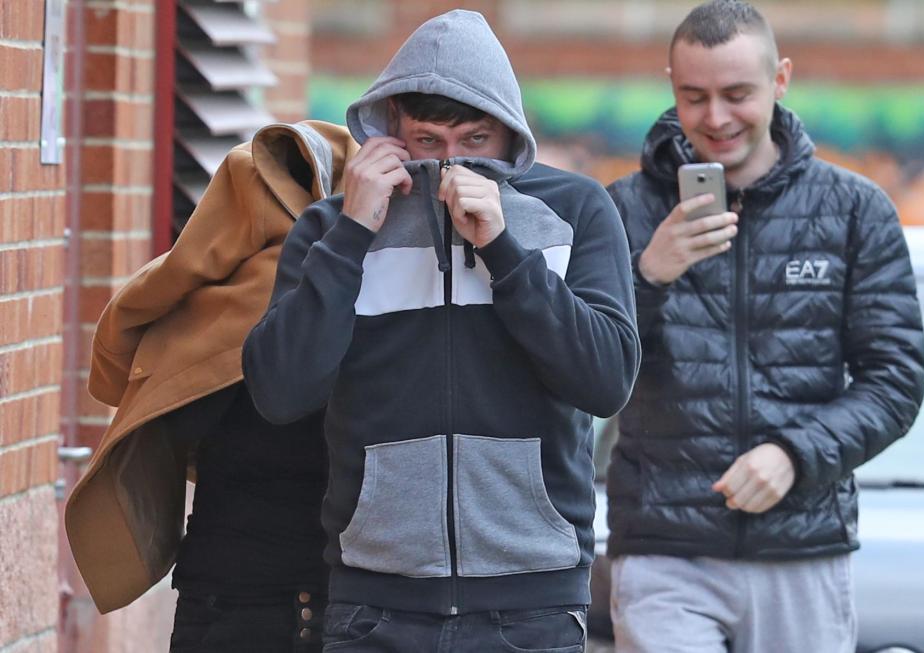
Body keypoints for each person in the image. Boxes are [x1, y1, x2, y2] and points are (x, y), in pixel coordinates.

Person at [242, 9, 640, 653]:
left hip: (532, 601)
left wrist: (506, 253)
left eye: (475, 142)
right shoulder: (330, 229)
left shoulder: (575, 211)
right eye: (429, 142)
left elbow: (606, 380)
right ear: (391, 127)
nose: (452, 167)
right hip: (374, 602)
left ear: (510, 134)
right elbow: (280, 392)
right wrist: (352, 234)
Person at [604, 1, 924, 652]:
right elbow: (584, 371)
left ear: (780, 80)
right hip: (663, 549)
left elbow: (895, 379)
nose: (716, 117)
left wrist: (795, 454)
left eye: (736, 94)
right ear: (671, 84)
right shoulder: (620, 211)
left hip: (802, 547)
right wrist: (648, 275)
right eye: (694, 96)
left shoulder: (855, 210)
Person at [65, 121, 359, 652]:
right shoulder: (353, 294)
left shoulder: (177, 296)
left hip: (216, 587)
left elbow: (117, 382)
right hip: (318, 592)